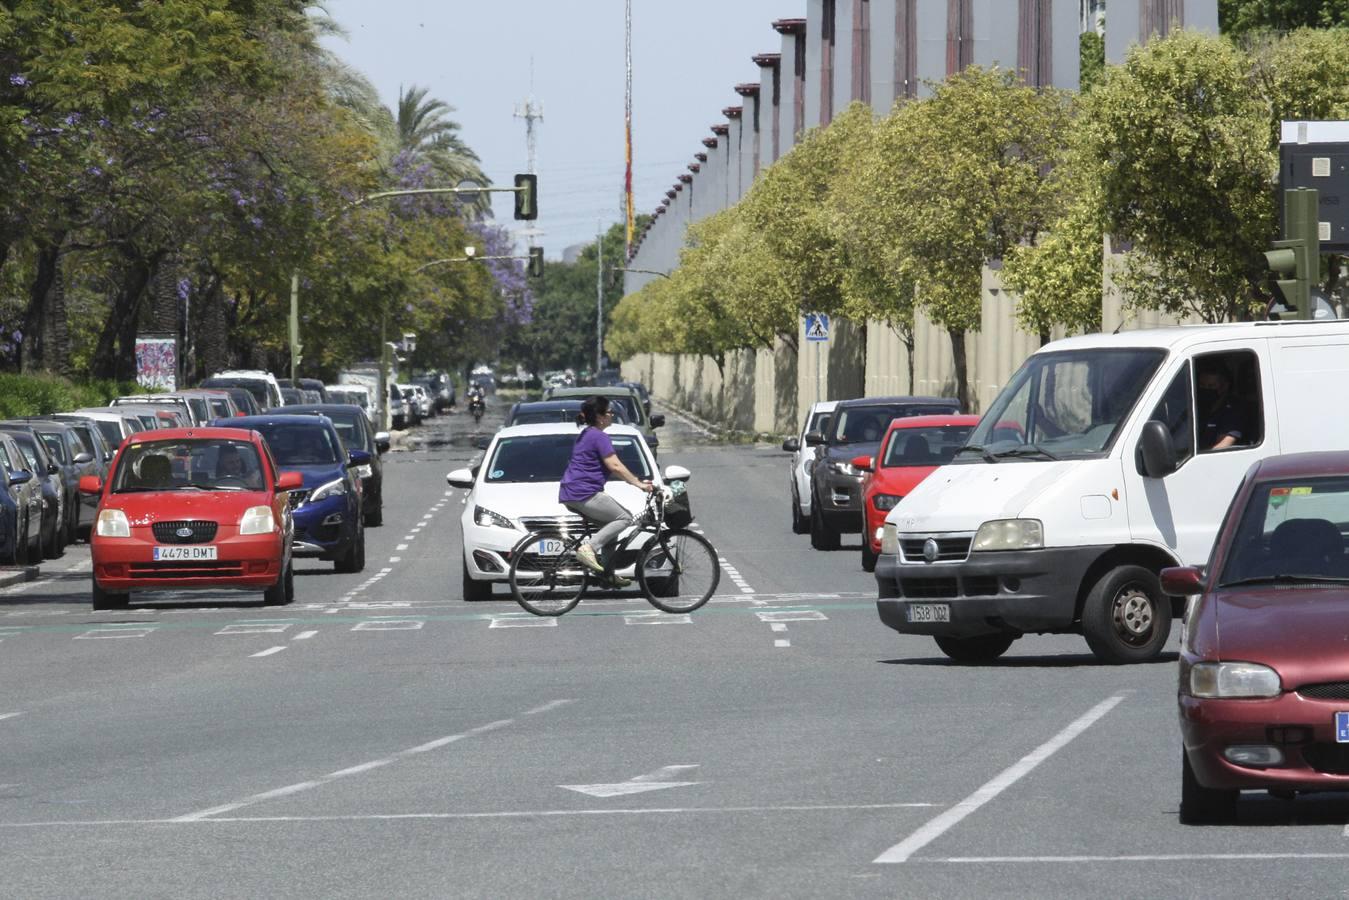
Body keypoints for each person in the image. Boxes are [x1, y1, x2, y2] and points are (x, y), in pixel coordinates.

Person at [558, 396, 654, 582]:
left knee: (610, 529)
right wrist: (639, 484)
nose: (612, 415)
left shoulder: (587, 434)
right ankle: (589, 549)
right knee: (624, 517)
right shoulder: (599, 436)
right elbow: (615, 466)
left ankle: (607, 574)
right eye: (609, 412)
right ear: (600, 417)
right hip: (584, 492)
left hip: (571, 492)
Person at [1197, 362, 1246, 451]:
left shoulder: (1234, 410)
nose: (1206, 389)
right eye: (1202, 385)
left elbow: (1223, 445)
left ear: (1225, 386)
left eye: (1211, 386)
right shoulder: (1195, 407)